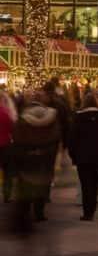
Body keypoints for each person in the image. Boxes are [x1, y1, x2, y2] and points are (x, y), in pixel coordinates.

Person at [9, 92, 61, 233]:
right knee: (42, 183)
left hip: (27, 158)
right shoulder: (52, 118)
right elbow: (56, 136)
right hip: (45, 157)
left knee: (26, 185)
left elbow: (17, 138)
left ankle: (25, 215)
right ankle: (40, 213)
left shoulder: (22, 120)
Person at [68, 92, 98, 221]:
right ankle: (92, 208)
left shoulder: (78, 117)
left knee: (85, 183)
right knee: (94, 182)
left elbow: (72, 138)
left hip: (82, 156)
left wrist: (73, 155)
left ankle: (87, 212)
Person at [0, 86, 15, 203]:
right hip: (5, 145)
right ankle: (7, 194)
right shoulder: (6, 113)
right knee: (7, 172)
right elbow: (12, 129)